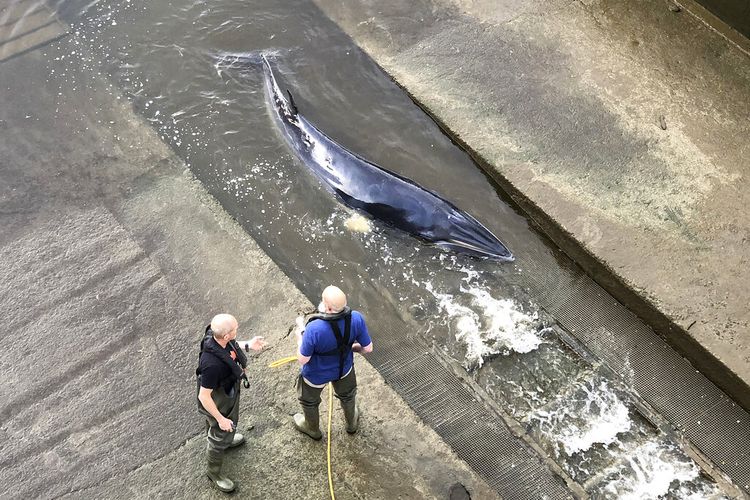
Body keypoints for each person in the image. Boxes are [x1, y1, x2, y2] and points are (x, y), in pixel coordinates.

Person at [197, 313, 266, 492]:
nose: (238, 329)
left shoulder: (217, 338)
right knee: (219, 432)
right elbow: (204, 396)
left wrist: (248, 344)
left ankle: (224, 439)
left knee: (222, 427)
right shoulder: (211, 366)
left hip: (227, 388)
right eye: (235, 328)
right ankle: (214, 472)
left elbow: (230, 348)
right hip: (217, 396)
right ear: (226, 335)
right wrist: (220, 419)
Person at [294, 285, 373, 440]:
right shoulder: (356, 318)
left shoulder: (314, 328)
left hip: (315, 375)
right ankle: (351, 423)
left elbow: (303, 359)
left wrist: (299, 340)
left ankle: (312, 429)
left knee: (309, 402)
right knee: (348, 396)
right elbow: (368, 349)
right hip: (344, 370)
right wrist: (352, 349)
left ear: (328, 308)